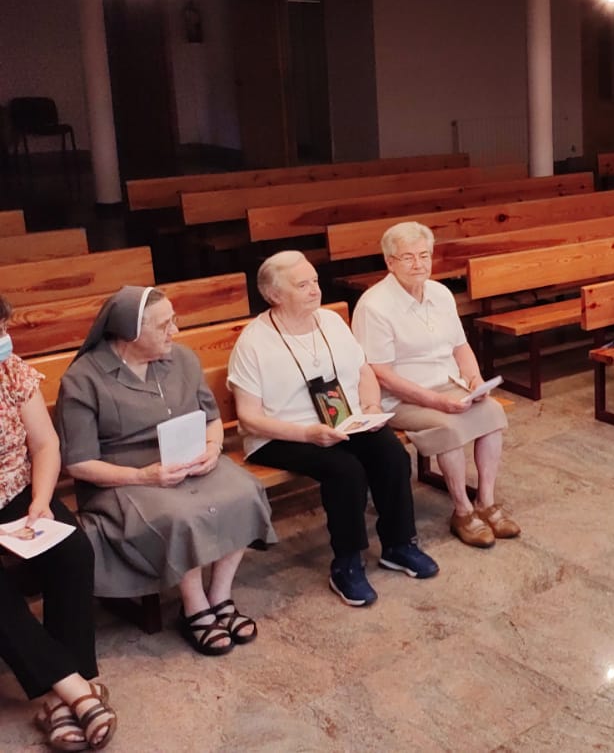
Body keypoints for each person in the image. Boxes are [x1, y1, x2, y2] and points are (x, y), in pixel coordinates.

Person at [58, 287, 275, 656]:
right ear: (130, 332)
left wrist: (213, 448)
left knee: (244, 490)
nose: (174, 330)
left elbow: (211, 418)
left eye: (173, 321)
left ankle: (220, 596)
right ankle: (194, 608)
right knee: (179, 515)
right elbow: (79, 463)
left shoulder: (183, 358)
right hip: (122, 478)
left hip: (190, 460)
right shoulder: (83, 379)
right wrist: (144, 476)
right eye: (164, 325)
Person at [229, 251, 438, 607]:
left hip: (343, 420)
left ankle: (399, 544)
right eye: (302, 285)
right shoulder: (254, 341)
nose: (315, 289)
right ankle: (347, 563)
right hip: (283, 433)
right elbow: (249, 418)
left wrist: (371, 408)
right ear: (274, 295)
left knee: (391, 454)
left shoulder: (330, 321)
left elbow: (363, 371)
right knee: (345, 470)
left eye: (314, 281)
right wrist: (308, 434)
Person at [352, 222, 517, 550]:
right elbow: (380, 373)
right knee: (448, 425)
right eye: (408, 257)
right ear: (390, 262)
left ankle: (485, 501)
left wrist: (475, 380)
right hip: (400, 398)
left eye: (424, 255)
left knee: (491, 413)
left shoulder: (440, 293)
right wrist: (435, 401)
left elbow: (460, 346)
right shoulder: (375, 306)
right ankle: (462, 510)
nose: (419, 264)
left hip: (449, 385)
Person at [0, 295, 115, 751]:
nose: (3, 338)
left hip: (17, 491)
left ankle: (58, 698)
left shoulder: (11, 371)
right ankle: (76, 689)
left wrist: (41, 502)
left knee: (72, 551)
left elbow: (45, 445)